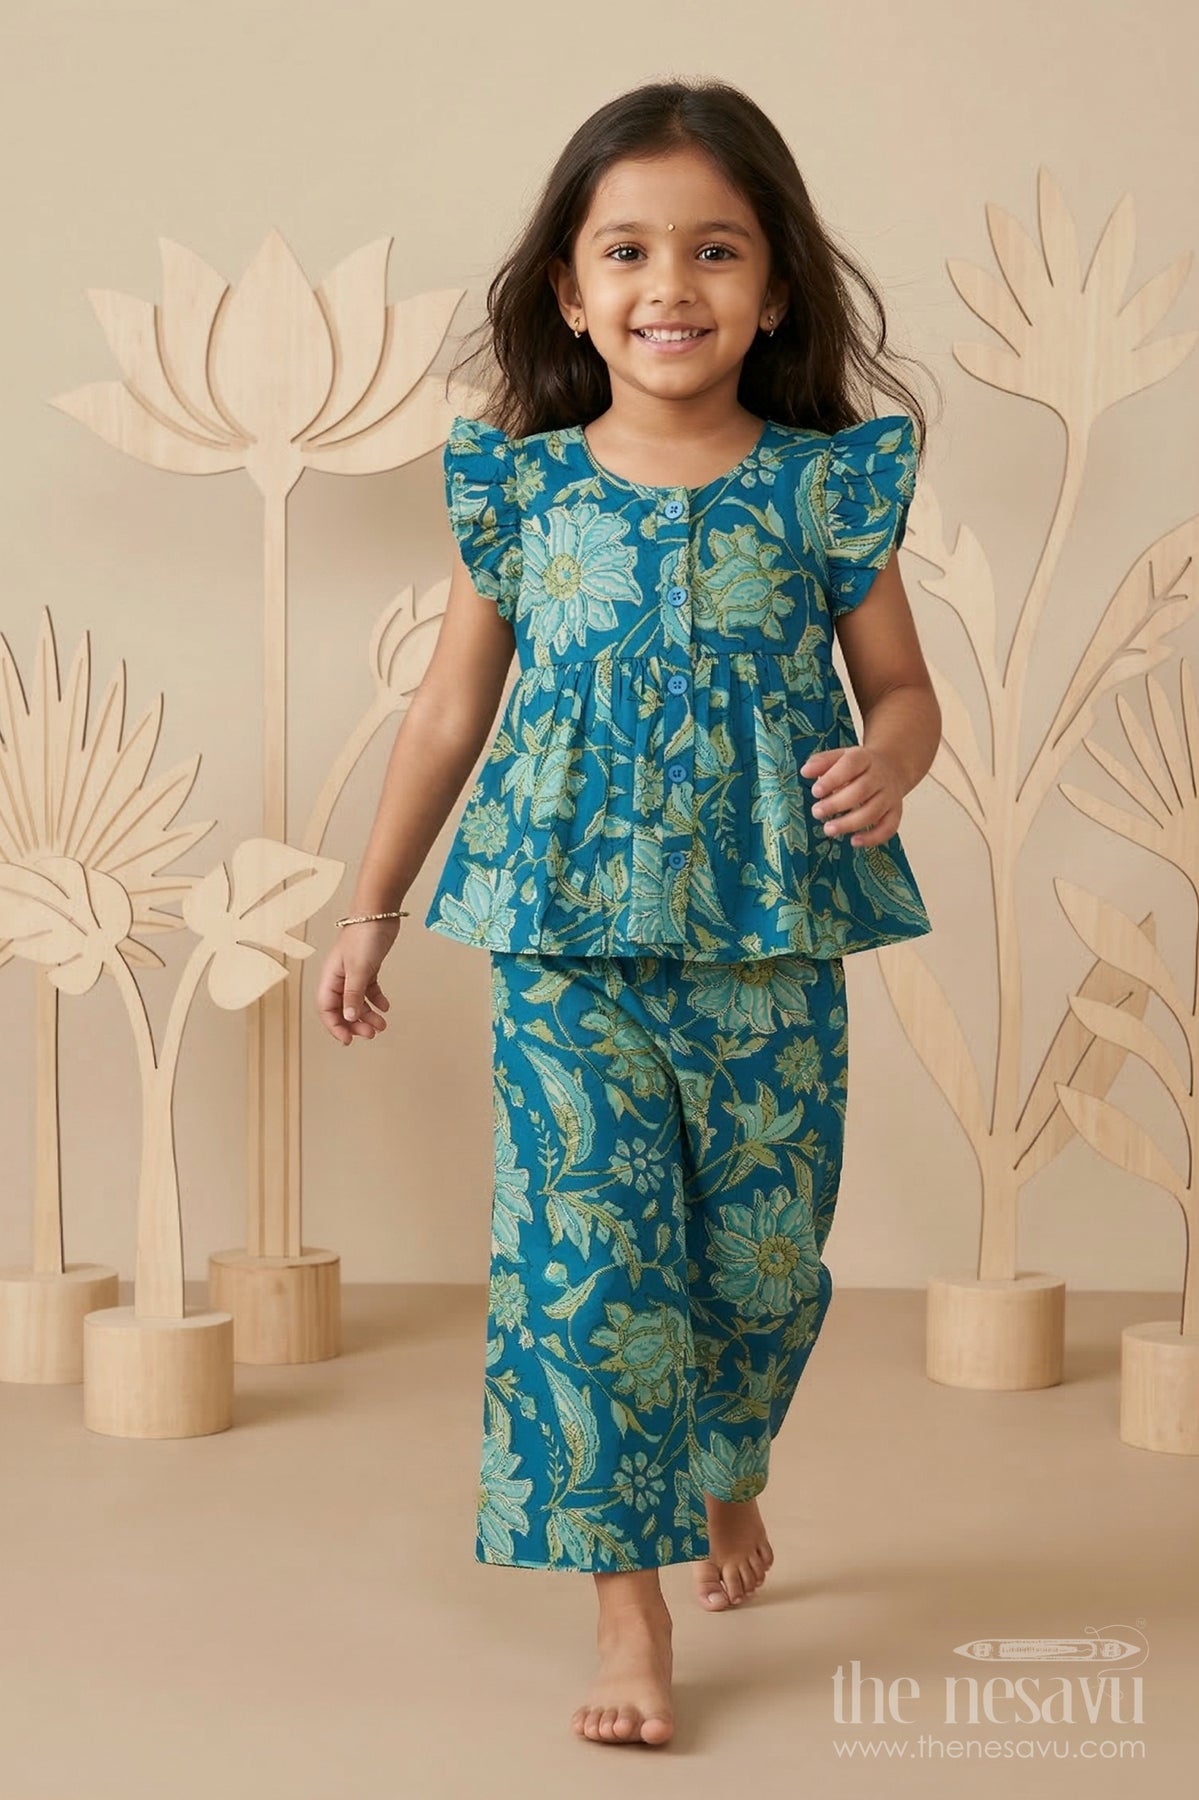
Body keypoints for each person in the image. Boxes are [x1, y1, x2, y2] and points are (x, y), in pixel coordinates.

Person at [315, 76, 942, 1749]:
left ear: (776, 290)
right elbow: (449, 713)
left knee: (762, 1267)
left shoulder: (823, 492)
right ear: (574, 292)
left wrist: (890, 761)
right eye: (630, 251)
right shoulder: (524, 496)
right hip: (564, 939)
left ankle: (731, 1465)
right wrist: (371, 910)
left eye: (716, 250)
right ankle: (629, 1606)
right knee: (587, 1272)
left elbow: (903, 691)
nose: (673, 284)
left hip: (772, 935)